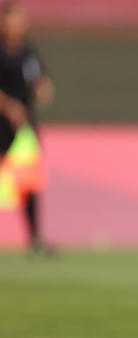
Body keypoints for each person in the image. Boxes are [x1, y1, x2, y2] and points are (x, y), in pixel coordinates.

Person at [0, 1, 53, 254]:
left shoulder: (27, 51)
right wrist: (8, 108)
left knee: (28, 183)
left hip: (23, 128)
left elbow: (38, 77)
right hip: (2, 123)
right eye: (14, 20)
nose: (19, 25)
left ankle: (35, 239)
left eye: (21, 20)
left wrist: (42, 87)